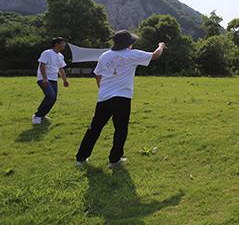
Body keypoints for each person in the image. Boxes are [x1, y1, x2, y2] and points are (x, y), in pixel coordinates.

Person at [75, 30, 166, 168]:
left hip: (104, 98)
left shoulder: (105, 55)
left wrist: (102, 88)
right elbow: (155, 55)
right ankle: (115, 160)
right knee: (120, 129)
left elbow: (97, 74)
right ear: (128, 43)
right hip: (122, 98)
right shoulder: (132, 54)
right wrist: (161, 46)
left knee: (95, 128)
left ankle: (81, 158)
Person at [32, 37, 69, 124]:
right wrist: (45, 78)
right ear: (56, 44)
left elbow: (61, 69)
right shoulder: (47, 53)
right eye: (62, 43)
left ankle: (42, 115)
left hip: (53, 80)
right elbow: (42, 65)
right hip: (44, 79)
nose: (64, 45)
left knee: (53, 99)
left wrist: (65, 80)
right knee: (50, 96)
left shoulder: (60, 56)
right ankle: (37, 116)